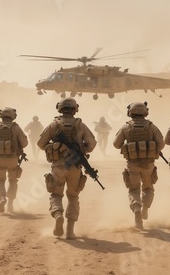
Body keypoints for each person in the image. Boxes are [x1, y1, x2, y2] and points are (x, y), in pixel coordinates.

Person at [37, 98, 97, 239]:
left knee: (56, 195)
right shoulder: (80, 125)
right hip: (75, 166)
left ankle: (58, 215)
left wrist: (54, 148)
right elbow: (92, 144)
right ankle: (70, 231)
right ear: (75, 109)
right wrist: (81, 150)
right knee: (73, 197)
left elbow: (41, 143)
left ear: (60, 108)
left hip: (58, 165)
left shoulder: (54, 125)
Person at [113, 102, 164, 229]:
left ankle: (136, 207)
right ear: (145, 112)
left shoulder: (126, 127)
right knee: (148, 188)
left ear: (130, 113)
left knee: (134, 190)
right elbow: (161, 144)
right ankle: (145, 207)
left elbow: (116, 144)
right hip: (148, 164)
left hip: (133, 164)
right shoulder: (151, 127)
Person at [0, 107, 28, 213]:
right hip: (13, 159)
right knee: (13, 180)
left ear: (2, 116)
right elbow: (25, 143)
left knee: (0, 180)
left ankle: (2, 198)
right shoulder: (16, 128)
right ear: (13, 116)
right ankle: (10, 204)